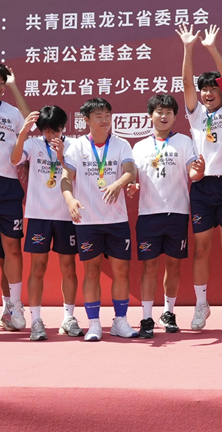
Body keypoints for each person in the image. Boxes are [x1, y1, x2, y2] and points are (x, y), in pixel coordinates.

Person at [178, 24, 222, 332]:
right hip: (202, 187)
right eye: (203, 89)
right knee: (201, 249)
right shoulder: (196, 115)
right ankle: (201, 304)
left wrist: (211, 48)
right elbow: (186, 83)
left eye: (213, 89)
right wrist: (188, 48)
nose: (207, 93)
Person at [61, 98, 137, 341]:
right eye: (98, 116)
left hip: (116, 219)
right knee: (91, 271)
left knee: (121, 271)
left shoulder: (121, 144)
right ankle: (94, 324)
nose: (105, 120)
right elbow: (66, 177)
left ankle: (120, 321)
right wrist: (70, 199)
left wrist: (117, 183)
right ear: (86, 120)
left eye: (107, 115)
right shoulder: (76, 147)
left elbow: (130, 171)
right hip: (88, 221)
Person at [128, 94, 205, 338]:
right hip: (149, 214)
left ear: (174, 116)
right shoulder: (139, 147)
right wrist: (132, 186)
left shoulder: (184, 142)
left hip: (177, 213)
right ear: (150, 115)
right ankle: (146, 317)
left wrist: (198, 172)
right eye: (159, 112)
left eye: (169, 112)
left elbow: (193, 172)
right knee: (149, 266)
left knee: (173, 265)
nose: (164, 116)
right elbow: (132, 176)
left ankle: (168, 313)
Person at [10, 106, 83, 340]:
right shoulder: (32, 144)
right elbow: (14, 159)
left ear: (64, 127)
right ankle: (36, 320)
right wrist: (23, 132)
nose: (52, 135)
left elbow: (78, 176)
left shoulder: (74, 145)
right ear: (41, 129)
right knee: (38, 268)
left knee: (69, 268)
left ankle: (68, 318)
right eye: (47, 130)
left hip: (66, 216)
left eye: (56, 130)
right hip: (39, 216)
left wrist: (61, 157)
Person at [0, 65, 29, 331]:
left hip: (7, 186)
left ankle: (14, 306)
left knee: (11, 249)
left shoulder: (11, 113)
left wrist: (12, 85)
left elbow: (30, 120)